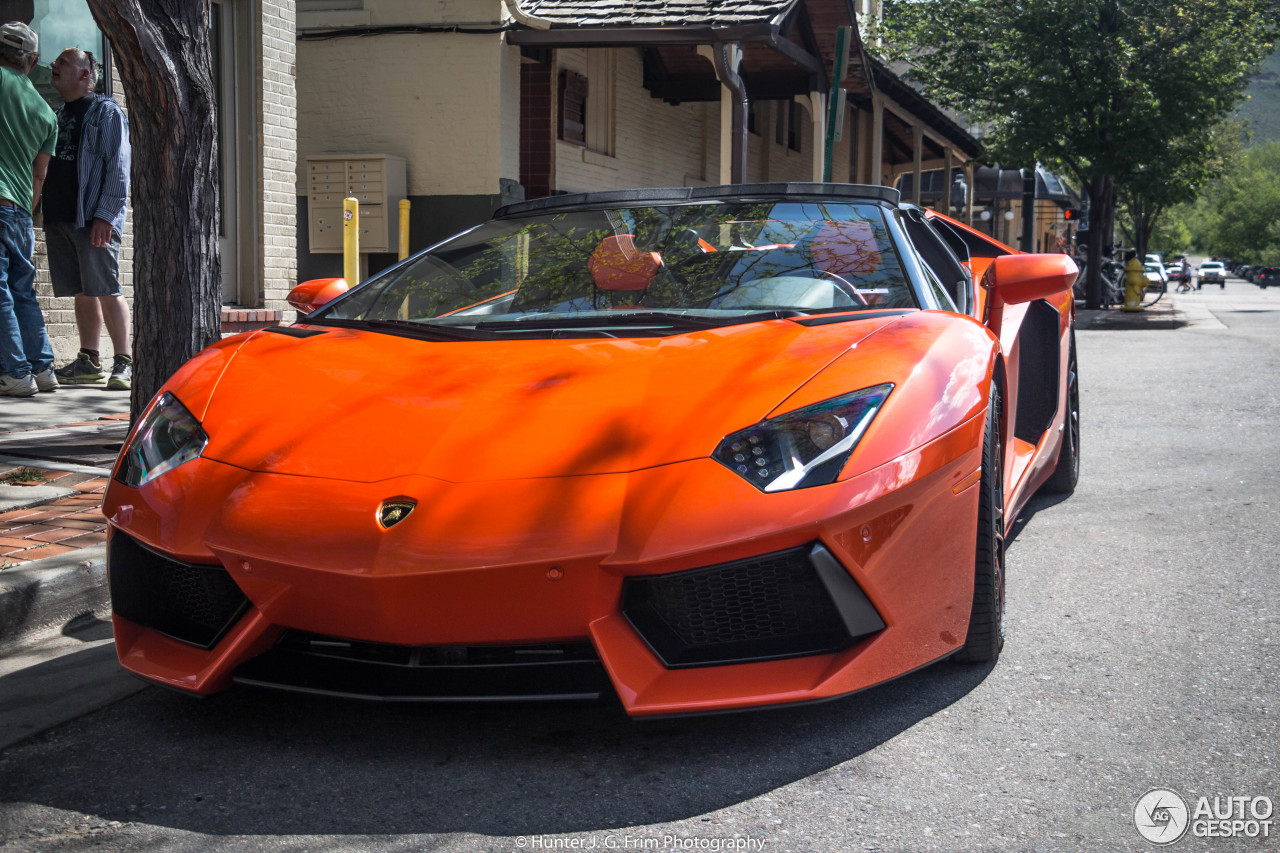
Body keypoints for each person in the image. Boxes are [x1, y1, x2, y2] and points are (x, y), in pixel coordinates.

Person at [46, 46, 132, 390]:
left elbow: (119, 167)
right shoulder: (58, 113)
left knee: (107, 288)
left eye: (64, 62)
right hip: (61, 216)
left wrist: (105, 215)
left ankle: (123, 361)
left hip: (92, 216)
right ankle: (89, 360)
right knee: (83, 290)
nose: (55, 65)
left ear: (85, 74)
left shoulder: (106, 112)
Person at [0, 21, 57, 398]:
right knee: (23, 291)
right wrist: (25, 210)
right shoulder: (46, 112)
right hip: (20, 207)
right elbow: (40, 176)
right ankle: (43, 369)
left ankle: (15, 373)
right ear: (33, 60)